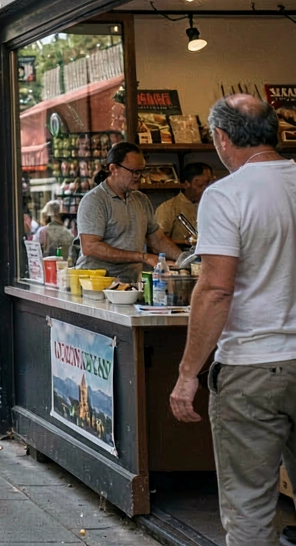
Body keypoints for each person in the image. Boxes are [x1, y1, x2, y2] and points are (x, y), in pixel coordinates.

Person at [169, 96, 296, 546]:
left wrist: (188, 374)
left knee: (249, 510)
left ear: (221, 139)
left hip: (251, 367)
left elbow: (216, 288)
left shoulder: (225, 194)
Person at [76, 142, 182, 283]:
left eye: (142, 171)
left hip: (129, 284)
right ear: (113, 168)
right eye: (134, 171)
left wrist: (184, 258)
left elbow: (158, 240)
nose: (139, 176)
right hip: (96, 285)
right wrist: (142, 257)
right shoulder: (95, 200)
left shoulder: (141, 199)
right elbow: (90, 247)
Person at [155, 162, 214, 244]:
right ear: (186, 184)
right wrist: (186, 242)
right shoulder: (168, 208)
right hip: (180, 254)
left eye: (209, 185)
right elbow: (158, 241)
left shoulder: (216, 206)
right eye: (201, 186)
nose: (206, 190)